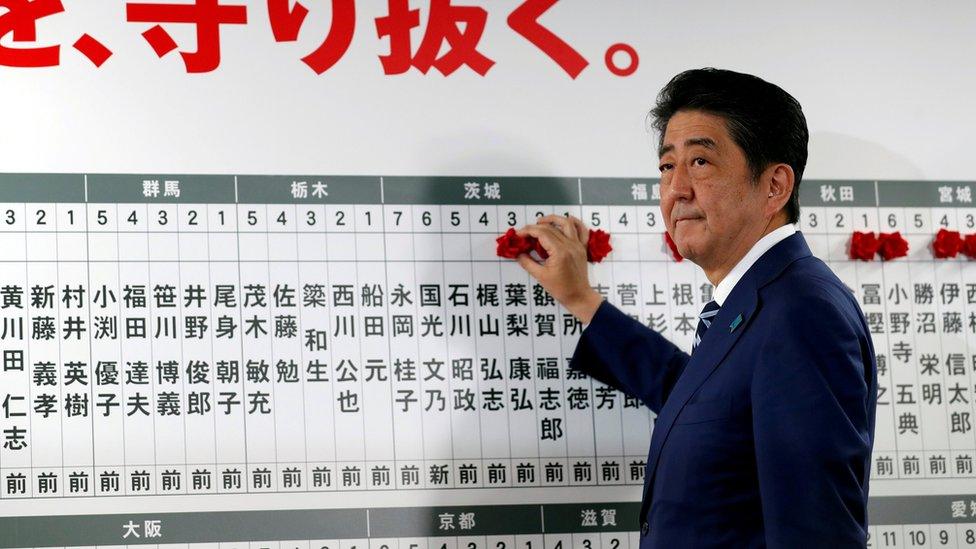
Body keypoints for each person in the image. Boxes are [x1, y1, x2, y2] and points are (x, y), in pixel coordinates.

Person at [516, 68, 877, 548]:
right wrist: (582, 300)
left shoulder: (801, 311)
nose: (676, 189)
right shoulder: (759, 297)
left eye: (701, 162)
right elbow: (697, 399)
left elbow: (816, 533)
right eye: (667, 167)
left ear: (774, 186)